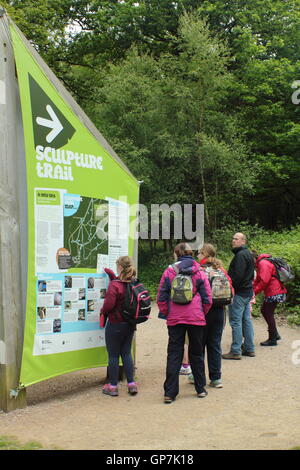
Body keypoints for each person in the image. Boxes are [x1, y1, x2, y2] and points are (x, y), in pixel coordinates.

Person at [157, 242, 212, 403]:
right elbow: (207, 298)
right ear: (191, 253)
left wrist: (168, 313)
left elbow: (161, 295)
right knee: (196, 353)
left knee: (174, 354)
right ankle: (200, 388)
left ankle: (170, 393)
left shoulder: (169, 271)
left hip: (175, 318)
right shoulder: (199, 271)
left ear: (176, 254)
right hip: (196, 318)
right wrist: (202, 313)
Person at [194, 243, 233, 388]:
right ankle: (216, 378)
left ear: (204, 254)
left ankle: (196, 376)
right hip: (219, 311)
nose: (197, 255)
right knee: (215, 344)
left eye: (199, 253)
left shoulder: (198, 270)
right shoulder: (221, 269)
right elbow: (231, 290)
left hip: (202, 311)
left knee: (199, 344)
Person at [100, 256, 138, 397]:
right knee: (126, 353)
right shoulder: (133, 282)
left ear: (120, 267)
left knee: (114, 355)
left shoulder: (115, 285)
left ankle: (113, 386)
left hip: (115, 324)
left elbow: (109, 305)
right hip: (130, 324)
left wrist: (103, 312)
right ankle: (131, 384)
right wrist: (112, 276)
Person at [223, 233, 255, 359]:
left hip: (240, 293)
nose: (233, 241)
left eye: (236, 239)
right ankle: (249, 348)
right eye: (233, 238)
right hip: (247, 292)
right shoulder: (247, 254)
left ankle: (236, 351)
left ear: (243, 241)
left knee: (236, 321)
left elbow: (237, 276)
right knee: (246, 320)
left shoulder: (241, 255)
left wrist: (230, 288)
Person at [253, 252, 286, 346]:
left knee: (267, 312)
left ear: (253, 259)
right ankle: (275, 334)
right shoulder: (262, 262)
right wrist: (252, 289)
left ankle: (273, 338)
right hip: (275, 291)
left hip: (274, 291)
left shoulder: (263, 263)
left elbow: (264, 281)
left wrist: (254, 293)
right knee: (266, 311)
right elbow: (258, 280)